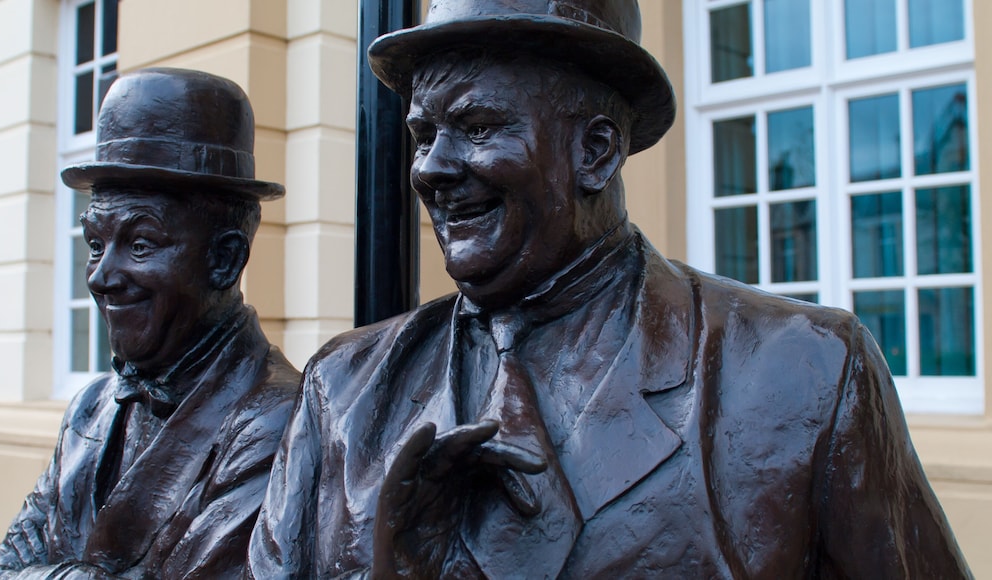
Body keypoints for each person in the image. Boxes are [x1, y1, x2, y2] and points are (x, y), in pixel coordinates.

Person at [250, 0, 972, 577]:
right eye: (423, 134)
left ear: (595, 151)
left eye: (474, 127)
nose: (430, 169)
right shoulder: (343, 391)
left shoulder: (804, 372)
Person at [0, 68, 302, 578]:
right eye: (94, 245)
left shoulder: (280, 421)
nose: (102, 277)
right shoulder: (91, 407)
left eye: (140, 245)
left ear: (224, 259)